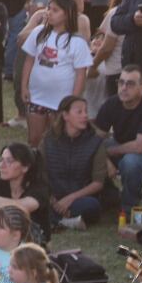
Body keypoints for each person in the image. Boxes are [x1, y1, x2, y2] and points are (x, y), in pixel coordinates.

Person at [18, 0, 91, 148]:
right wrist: (24, 86)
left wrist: (73, 100)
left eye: (55, 10)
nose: (49, 13)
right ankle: (37, 170)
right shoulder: (39, 32)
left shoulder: (77, 42)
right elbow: (29, 60)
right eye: (48, 9)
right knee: (34, 139)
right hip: (36, 97)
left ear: (68, 14)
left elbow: (80, 74)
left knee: (58, 141)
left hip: (61, 102)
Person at [95, 63, 142, 208]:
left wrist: (107, 152)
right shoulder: (111, 103)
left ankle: (129, 207)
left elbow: (140, 146)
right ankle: (107, 196)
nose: (124, 88)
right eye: (121, 82)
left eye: (130, 84)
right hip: (121, 144)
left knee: (130, 162)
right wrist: (105, 160)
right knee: (90, 151)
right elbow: (95, 139)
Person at [41, 94, 108, 229]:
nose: (85, 116)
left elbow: (98, 183)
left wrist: (70, 199)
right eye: (79, 112)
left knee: (92, 206)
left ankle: (56, 220)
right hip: (53, 196)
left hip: (79, 197)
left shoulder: (95, 142)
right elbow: (40, 174)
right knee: (36, 201)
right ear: (65, 116)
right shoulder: (48, 140)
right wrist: (53, 200)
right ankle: (65, 220)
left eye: (86, 112)